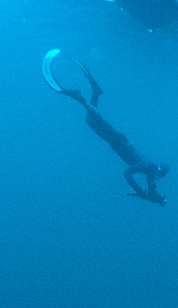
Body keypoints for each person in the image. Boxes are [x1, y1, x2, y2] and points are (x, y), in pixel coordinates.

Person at [43, 50, 169, 206]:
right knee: (97, 119)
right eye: (158, 173)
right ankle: (80, 98)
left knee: (90, 120)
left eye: (159, 175)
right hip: (119, 141)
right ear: (158, 169)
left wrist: (157, 199)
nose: (157, 177)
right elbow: (127, 173)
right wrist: (138, 190)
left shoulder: (151, 173)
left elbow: (151, 190)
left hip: (116, 143)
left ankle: (96, 93)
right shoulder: (147, 166)